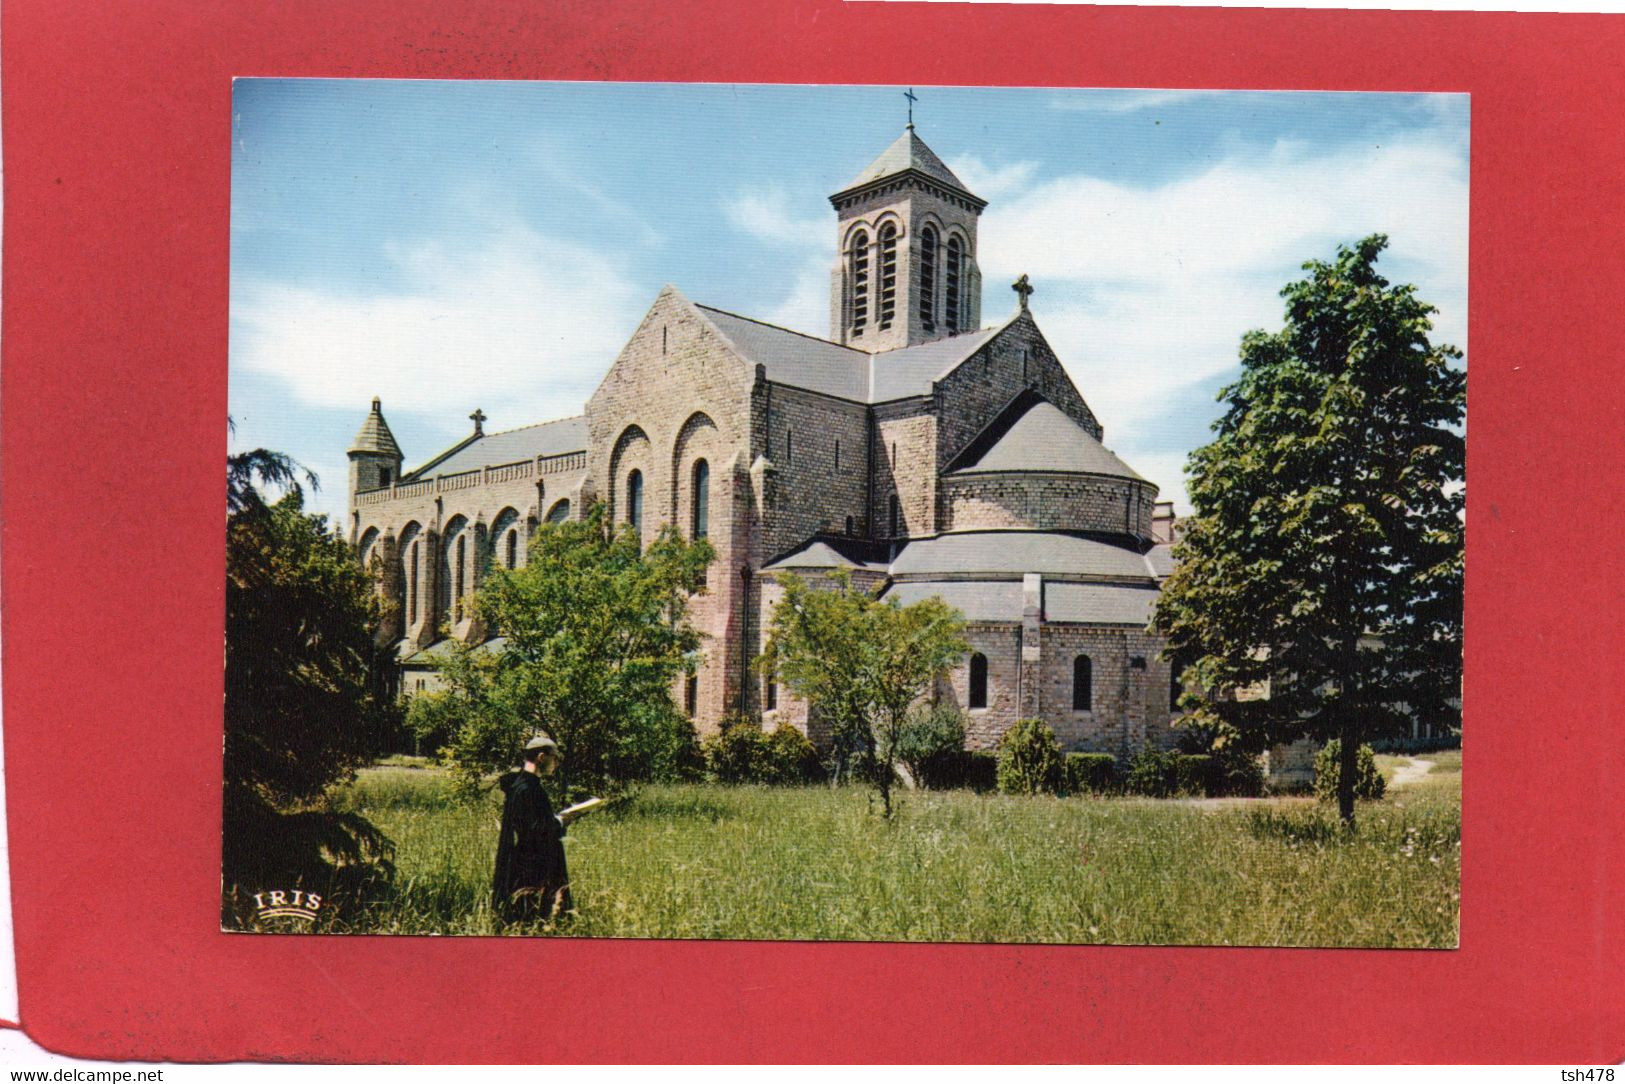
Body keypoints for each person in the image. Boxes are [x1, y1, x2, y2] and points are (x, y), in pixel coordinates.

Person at [491, 733, 572, 925]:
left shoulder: (521, 785)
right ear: (541, 757)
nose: (556, 764)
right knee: (529, 916)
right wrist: (559, 822)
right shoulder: (528, 789)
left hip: (524, 860)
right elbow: (533, 831)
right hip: (531, 865)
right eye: (555, 758)